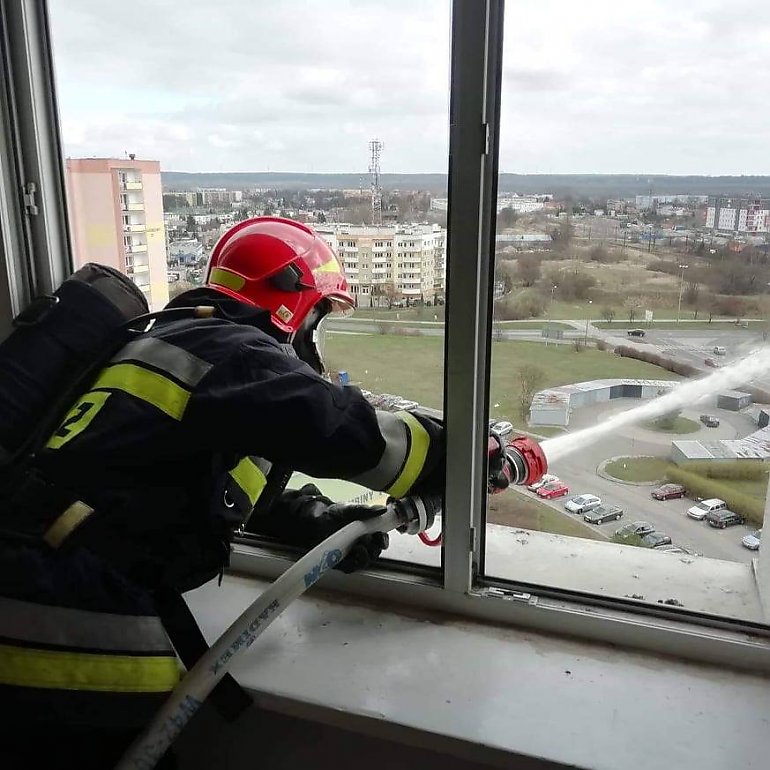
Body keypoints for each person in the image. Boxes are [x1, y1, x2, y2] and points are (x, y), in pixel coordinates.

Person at [0, 217, 445, 769]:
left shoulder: (165, 341)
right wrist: (470, 455)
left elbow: (185, 483)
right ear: (290, 305)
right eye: (316, 316)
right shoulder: (229, 349)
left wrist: (311, 517)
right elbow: (333, 427)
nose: (313, 336)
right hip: (63, 634)